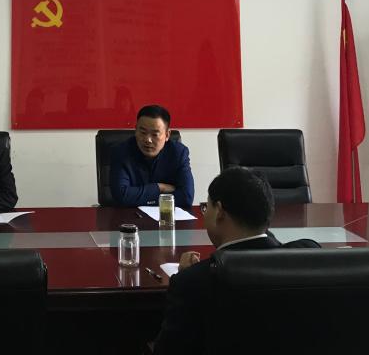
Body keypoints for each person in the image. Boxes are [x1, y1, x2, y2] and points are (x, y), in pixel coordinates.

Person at [153, 167, 320, 354]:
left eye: (206, 207)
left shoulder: (192, 282)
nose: (204, 213)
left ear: (219, 212)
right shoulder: (310, 258)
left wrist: (187, 277)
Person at [109, 105, 194, 208]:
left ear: (167, 135)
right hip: (129, 216)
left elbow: (186, 197)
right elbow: (121, 196)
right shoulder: (121, 152)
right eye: (143, 132)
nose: (148, 140)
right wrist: (159, 188)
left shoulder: (178, 153)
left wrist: (140, 196)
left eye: (154, 134)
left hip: (167, 215)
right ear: (136, 130)